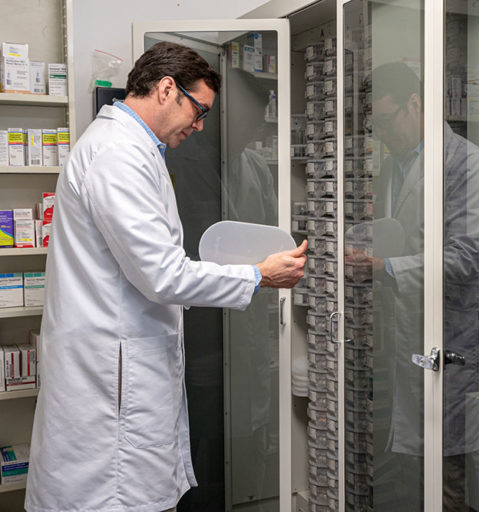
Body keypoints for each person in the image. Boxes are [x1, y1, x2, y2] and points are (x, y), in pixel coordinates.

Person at [24, 42, 307, 512]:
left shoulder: (136, 150)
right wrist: (258, 276)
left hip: (121, 361)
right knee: (113, 495)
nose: (199, 127)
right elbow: (162, 274)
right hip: (109, 377)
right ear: (166, 89)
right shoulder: (116, 155)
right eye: (198, 111)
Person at [348, 62, 479, 510]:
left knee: (448, 463)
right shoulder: (394, 166)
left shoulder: (469, 163)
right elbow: (403, 234)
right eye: (373, 124)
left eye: (384, 120)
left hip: (453, 337)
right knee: (414, 463)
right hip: (411, 329)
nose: (379, 134)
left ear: (415, 103)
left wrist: (387, 268)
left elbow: (467, 257)